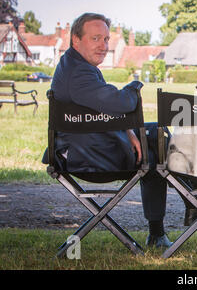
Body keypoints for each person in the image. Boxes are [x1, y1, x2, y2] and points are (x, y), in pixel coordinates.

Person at [44, 13, 172, 248]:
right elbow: (121, 103)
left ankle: (180, 214)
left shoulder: (73, 64)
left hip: (88, 146)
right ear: (76, 39)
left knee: (156, 137)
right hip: (89, 158)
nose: (103, 46)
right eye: (96, 39)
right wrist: (134, 85)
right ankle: (188, 208)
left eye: (105, 39)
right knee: (156, 149)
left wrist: (128, 131)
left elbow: (101, 111)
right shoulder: (79, 73)